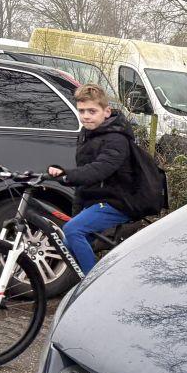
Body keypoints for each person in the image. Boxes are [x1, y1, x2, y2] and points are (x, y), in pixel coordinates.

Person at [47, 84, 138, 274]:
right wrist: (77, 211)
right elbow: (85, 180)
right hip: (99, 200)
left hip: (119, 201)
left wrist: (66, 175)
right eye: (81, 111)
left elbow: (98, 171)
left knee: (73, 230)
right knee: (68, 242)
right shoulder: (87, 135)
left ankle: (92, 285)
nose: (86, 116)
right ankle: (101, 278)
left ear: (107, 112)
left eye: (92, 111)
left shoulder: (117, 138)